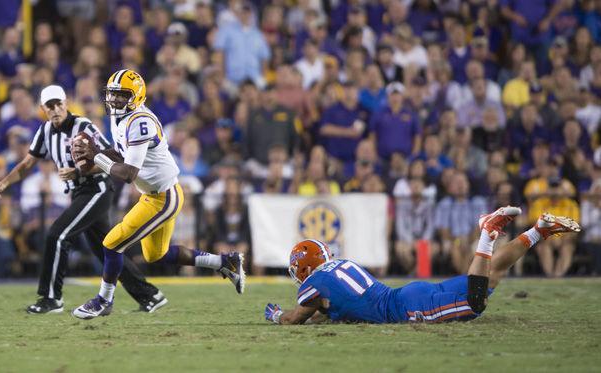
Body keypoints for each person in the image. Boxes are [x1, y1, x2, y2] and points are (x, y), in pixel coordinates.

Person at [71, 69, 245, 319]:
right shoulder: (121, 118)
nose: (115, 101)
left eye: (122, 96)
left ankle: (103, 301)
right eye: (112, 95)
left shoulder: (140, 122)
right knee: (155, 254)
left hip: (163, 197)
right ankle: (225, 262)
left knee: (111, 243)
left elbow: (129, 173)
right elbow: (121, 155)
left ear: (137, 97)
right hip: (155, 195)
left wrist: (95, 156)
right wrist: (95, 155)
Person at [0, 85, 166, 314]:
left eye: (58, 104)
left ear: (66, 103)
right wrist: (5, 182)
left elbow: (112, 157)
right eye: (50, 106)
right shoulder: (45, 131)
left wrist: (78, 172)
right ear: (43, 109)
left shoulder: (82, 126)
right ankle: (150, 295)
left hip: (97, 189)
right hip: (79, 194)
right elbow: (28, 163)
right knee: (107, 250)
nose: (55, 109)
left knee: (57, 234)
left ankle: (51, 298)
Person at [264, 206, 581, 324]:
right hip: (408, 293)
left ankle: (487, 232)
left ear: (304, 269)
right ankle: (538, 230)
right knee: (490, 275)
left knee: (476, 301)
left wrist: (278, 316)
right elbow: (334, 307)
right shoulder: (342, 264)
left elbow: (297, 318)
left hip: (404, 309)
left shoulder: (312, 285)